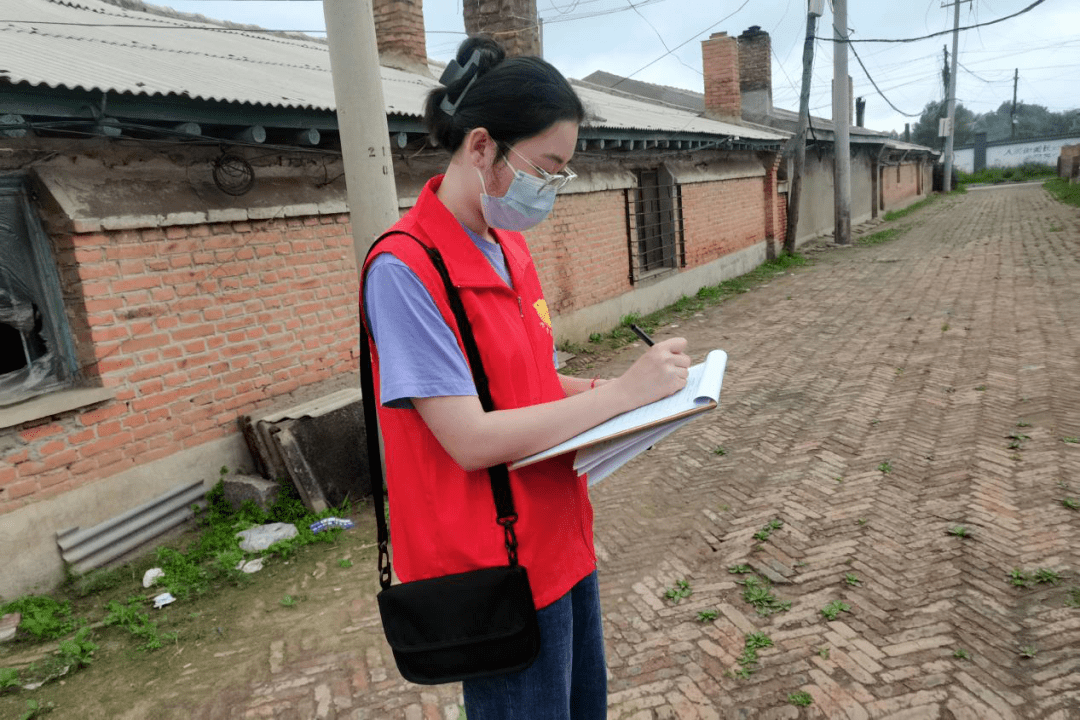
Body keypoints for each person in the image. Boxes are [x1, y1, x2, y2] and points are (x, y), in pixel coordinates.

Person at [361, 36, 691, 719]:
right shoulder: (405, 269)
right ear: (481, 147)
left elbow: (529, 383)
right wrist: (623, 396)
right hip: (496, 566)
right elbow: (470, 437)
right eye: (548, 167)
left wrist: (625, 397)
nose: (553, 188)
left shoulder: (506, 246)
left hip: (562, 536)